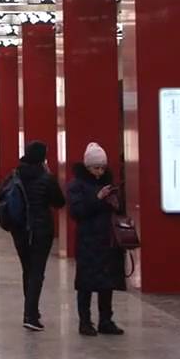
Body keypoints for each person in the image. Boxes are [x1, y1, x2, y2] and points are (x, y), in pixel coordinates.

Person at [67, 142, 127, 336]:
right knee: (85, 283)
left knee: (107, 282)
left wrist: (115, 202)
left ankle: (105, 320)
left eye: (102, 167)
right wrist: (98, 198)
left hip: (107, 240)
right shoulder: (76, 185)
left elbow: (119, 209)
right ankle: (85, 321)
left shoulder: (109, 183)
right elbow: (77, 212)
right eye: (96, 168)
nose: (100, 172)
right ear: (87, 166)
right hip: (87, 240)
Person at [5, 140, 64, 332]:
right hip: (40, 229)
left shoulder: (15, 174)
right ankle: (30, 315)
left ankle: (31, 311)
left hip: (19, 229)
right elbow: (59, 202)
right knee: (37, 272)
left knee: (27, 269)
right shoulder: (46, 178)